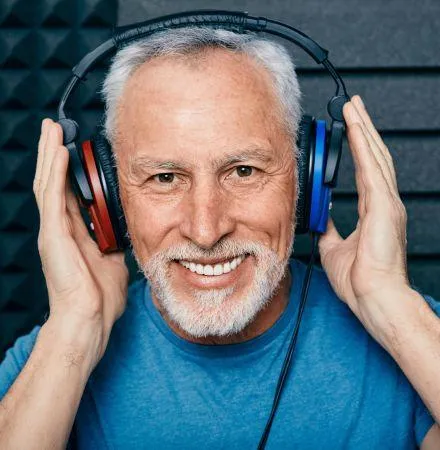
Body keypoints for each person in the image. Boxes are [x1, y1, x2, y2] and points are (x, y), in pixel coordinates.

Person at [0, 26, 439, 449]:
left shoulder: (414, 336)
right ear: (108, 198)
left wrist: (389, 303)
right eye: (165, 177)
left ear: (308, 180)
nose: (206, 230)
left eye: (244, 171)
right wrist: (76, 329)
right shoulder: (49, 359)